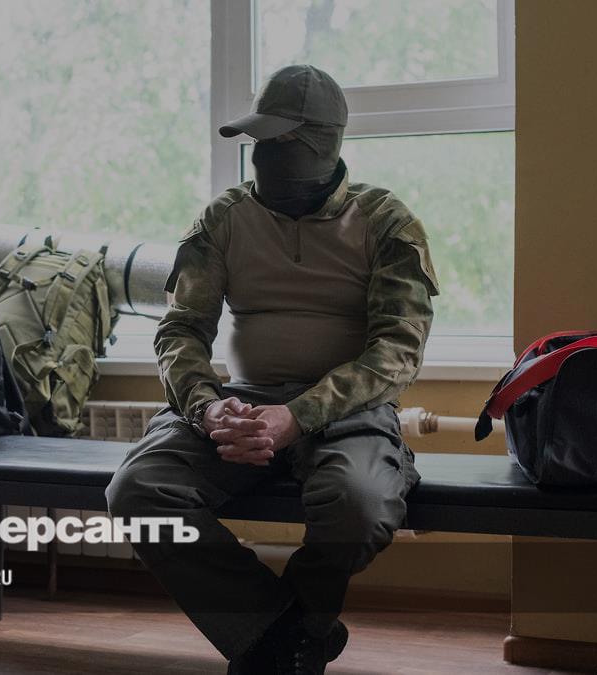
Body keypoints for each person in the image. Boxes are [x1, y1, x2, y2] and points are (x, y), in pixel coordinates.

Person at [105, 65, 439, 674]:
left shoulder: (385, 222)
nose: (263, 155)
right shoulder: (224, 219)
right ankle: (284, 636)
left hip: (345, 412)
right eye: (258, 140)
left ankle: (284, 637)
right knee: (138, 491)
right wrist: (208, 407)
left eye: (279, 141)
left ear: (323, 142)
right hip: (239, 402)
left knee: (360, 505)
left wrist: (298, 416)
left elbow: (397, 350)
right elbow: (181, 330)